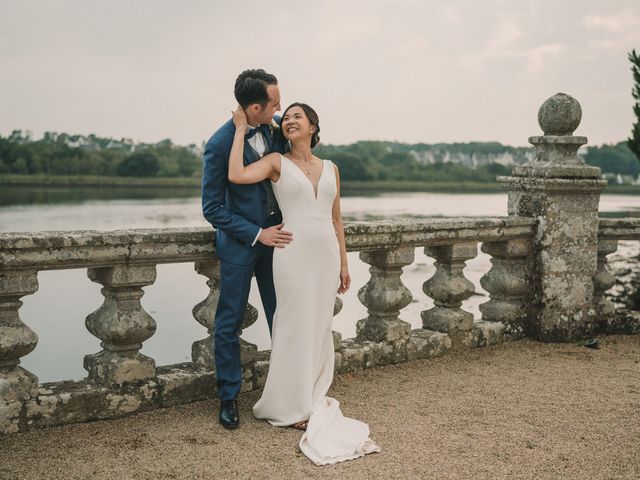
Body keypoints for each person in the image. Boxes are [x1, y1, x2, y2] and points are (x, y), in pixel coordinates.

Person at [228, 102, 380, 465]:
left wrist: (344, 263)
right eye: (288, 117)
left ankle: (310, 395)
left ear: (313, 125)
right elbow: (235, 174)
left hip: (326, 255)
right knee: (292, 324)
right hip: (292, 254)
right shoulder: (276, 163)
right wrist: (238, 130)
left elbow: (337, 219)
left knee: (319, 325)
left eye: (299, 116)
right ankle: (287, 404)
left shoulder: (332, 168)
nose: (291, 120)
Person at [201, 69, 292, 429]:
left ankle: (288, 391)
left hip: (280, 247)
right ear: (254, 106)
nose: (280, 108)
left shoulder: (276, 130)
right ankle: (228, 398)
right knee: (228, 324)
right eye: (275, 103)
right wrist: (258, 233)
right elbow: (213, 209)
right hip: (240, 247)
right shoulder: (219, 143)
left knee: (282, 318)